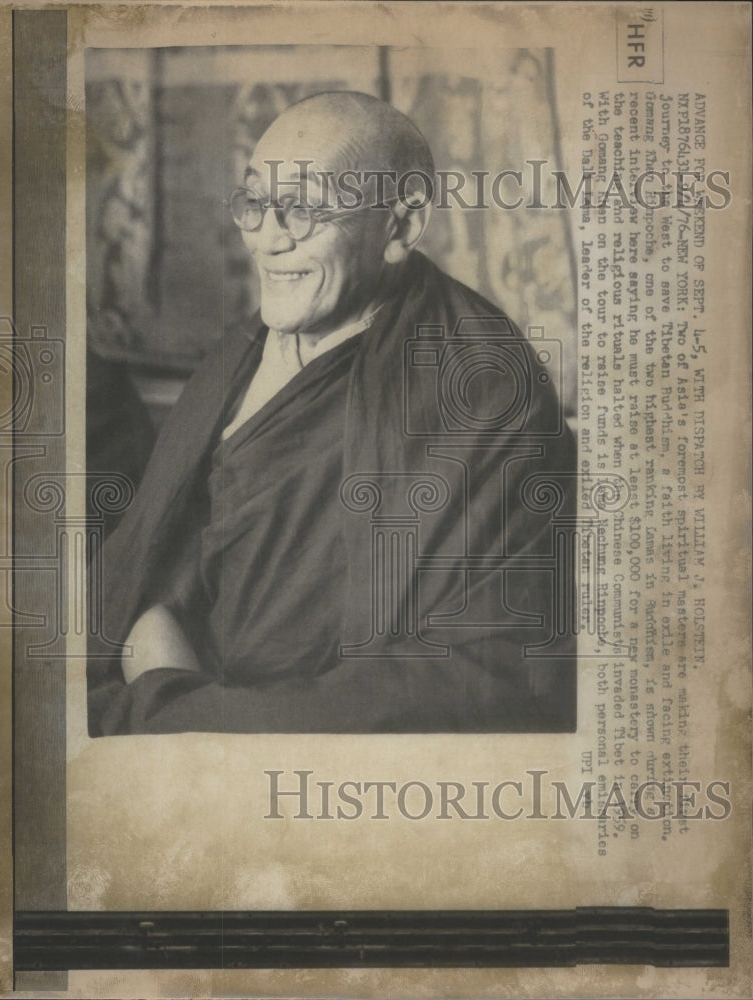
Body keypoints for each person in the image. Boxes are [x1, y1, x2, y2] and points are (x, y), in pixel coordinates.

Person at [87, 91, 576, 736]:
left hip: (315, 748)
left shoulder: (480, 385)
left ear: (400, 228)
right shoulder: (247, 346)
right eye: (255, 203)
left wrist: (171, 709)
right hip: (180, 690)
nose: (266, 239)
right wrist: (150, 626)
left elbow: (473, 673)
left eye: (306, 210)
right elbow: (165, 542)